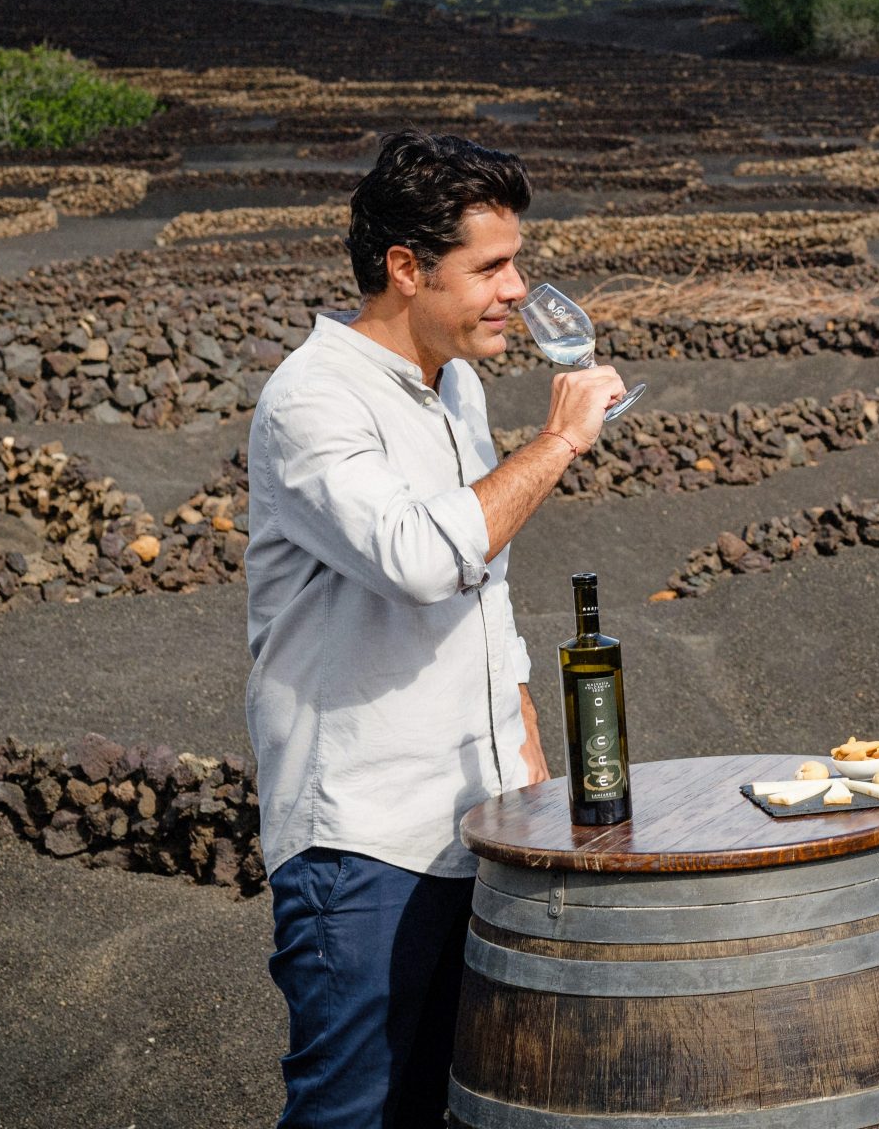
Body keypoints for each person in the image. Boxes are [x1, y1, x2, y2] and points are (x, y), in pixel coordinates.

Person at [246, 131, 626, 1128]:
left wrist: (531, 761)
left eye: (518, 262)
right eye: (491, 266)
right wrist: (555, 444)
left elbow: (483, 596)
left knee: (456, 1106)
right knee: (352, 1113)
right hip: (362, 841)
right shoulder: (312, 400)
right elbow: (421, 559)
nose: (517, 289)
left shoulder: (452, 382)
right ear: (406, 269)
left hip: (475, 823)